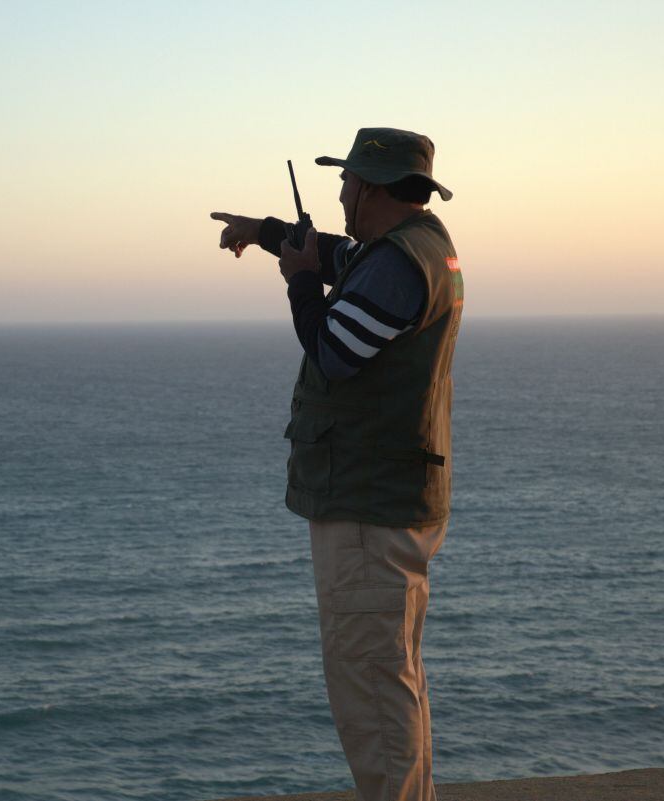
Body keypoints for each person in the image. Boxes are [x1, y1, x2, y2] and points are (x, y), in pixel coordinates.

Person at [209, 127, 463, 801]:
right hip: (390, 498)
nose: (341, 191)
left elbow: (334, 350)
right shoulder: (411, 247)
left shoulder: (397, 266)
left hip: (368, 509)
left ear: (374, 188)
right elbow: (334, 254)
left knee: (371, 684)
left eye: (348, 180)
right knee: (392, 674)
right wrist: (265, 231)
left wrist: (297, 284)